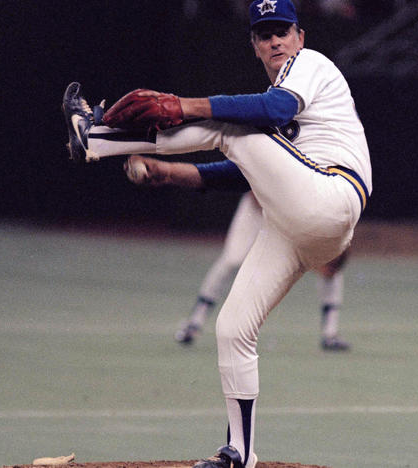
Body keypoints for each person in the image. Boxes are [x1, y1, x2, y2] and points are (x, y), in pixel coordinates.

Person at [61, 1, 371, 467]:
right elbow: (246, 171)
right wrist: (171, 174)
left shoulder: (311, 65)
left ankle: (99, 138)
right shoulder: (282, 104)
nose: (275, 41)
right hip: (297, 224)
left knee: (234, 126)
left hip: (333, 192)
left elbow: (268, 111)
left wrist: (183, 106)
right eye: (264, 34)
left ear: (300, 36)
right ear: (253, 45)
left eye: (282, 31)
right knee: (233, 328)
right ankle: (239, 453)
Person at [174, 190, 352, 352]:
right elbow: (257, 191)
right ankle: (194, 323)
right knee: (233, 260)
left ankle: (330, 334)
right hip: (258, 208)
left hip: (293, 218)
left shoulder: (326, 211)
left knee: (331, 265)